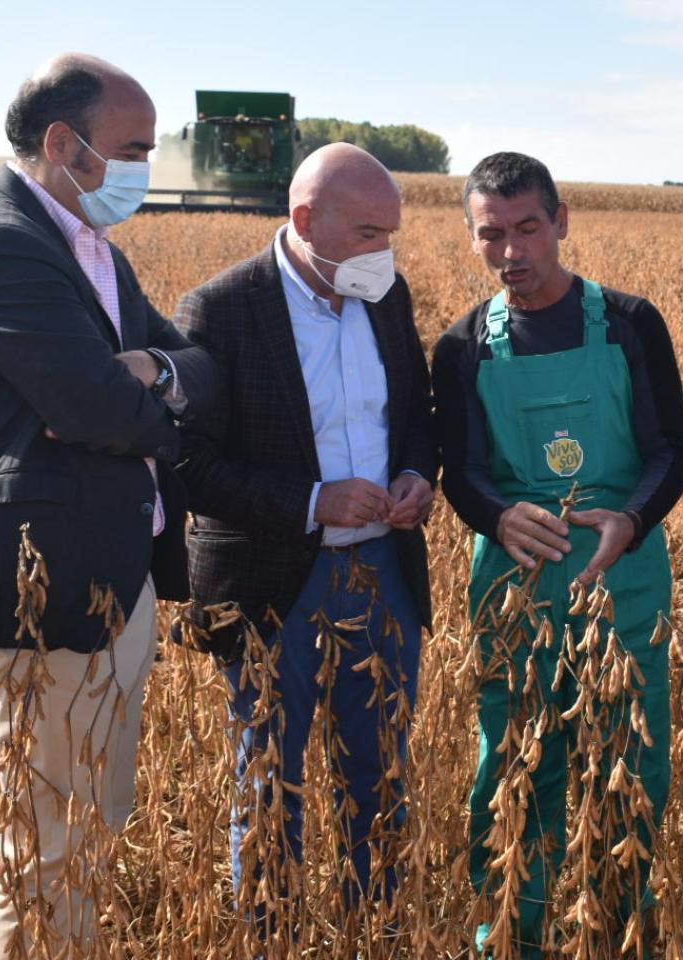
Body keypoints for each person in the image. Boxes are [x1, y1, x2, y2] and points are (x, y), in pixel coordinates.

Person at [0, 53, 218, 958]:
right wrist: (146, 400)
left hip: (110, 579)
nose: (144, 168)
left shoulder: (90, 250)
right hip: (44, 595)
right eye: (132, 148)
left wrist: (153, 374)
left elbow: (189, 363)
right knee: (46, 846)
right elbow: (95, 409)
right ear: (61, 143)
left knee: (88, 827)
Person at [431, 151, 683, 957]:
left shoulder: (630, 322)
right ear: (474, 241)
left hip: (625, 580)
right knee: (512, 774)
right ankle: (511, 936)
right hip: (515, 589)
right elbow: (461, 471)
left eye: (528, 229)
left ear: (561, 221)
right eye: (491, 235)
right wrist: (501, 517)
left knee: (631, 772)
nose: (512, 251)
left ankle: (621, 936)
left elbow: (669, 450)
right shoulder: (465, 344)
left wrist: (634, 521)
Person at [172, 143, 436, 937]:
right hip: (274, 581)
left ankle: (379, 933)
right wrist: (315, 501)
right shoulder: (219, 310)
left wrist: (420, 476)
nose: (381, 253)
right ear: (303, 221)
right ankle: (270, 939)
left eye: (389, 234)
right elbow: (188, 465)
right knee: (268, 780)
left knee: (380, 771)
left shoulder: (386, 297)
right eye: (366, 233)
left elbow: (416, 415)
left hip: (382, 571)